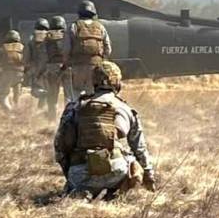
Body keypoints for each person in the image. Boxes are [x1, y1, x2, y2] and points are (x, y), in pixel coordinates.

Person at [54, 61, 155, 198]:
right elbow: (140, 148)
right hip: (116, 171)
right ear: (118, 82)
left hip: (80, 174)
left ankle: (83, 190)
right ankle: (116, 192)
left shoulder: (74, 107)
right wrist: (149, 175)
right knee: (132, 160)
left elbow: (60, 145)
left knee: (80, 178)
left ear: (93, 82)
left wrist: (70, 174)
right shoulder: (125, 109)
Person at [64, 0, 111, 97]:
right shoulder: (100, 27)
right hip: (96, 67)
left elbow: (66, 49)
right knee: (93, 94)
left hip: (78, 66)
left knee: (77, 95)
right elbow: (108, 48)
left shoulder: (74, 26)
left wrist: (67, 63)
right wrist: (102, 61)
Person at [43, 15, 71, 118]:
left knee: (52, 95)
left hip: (52, 67)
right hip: (66, 66)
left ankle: (52, 118)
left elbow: (44, 53)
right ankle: (68, 118)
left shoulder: (47, 37)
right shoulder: (67, 35)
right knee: (68, 95)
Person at [0, 30, 25, 111]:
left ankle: (9, 111)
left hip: (6, 74)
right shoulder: (22, 49)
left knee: (3, 96)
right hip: (19, 75)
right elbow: (27, 61)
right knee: (17, 97)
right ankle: (18, 112)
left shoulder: (2, 49)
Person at [24, 18, 50, 110]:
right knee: (47, 88)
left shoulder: (32, 38)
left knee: (36, 89)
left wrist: (26, 67)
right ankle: (45, 110)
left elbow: (27, 55)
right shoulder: (50, 37)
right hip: (48, 67)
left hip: (35, 67)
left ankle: (42, 107)